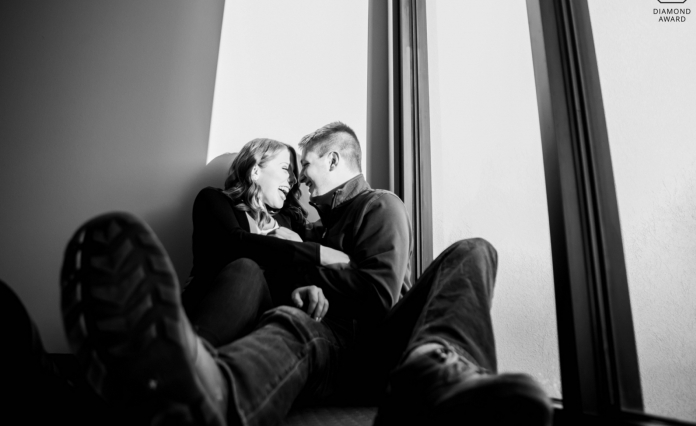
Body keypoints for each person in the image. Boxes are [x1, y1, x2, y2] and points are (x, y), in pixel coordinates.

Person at [58, 122, 553, 425]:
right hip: (329, 346)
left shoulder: (378, 205)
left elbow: (380, 296)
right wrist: (305, 282)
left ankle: (437, 373)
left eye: (308, 165)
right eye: (290, 171)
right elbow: (261, 261)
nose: (300, 180)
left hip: (382, 344)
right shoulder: (305, 220)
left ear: (334, 158)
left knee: (473, 251)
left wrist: (313, 270)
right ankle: (210, 395)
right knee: (293, 326)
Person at [180, 138, 350, 347]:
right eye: (285, 168)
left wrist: (305, 289)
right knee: (247, 268)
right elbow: (235, 244)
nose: (293, 180)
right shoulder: (214, 200)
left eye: (295, 175)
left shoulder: (291, 224)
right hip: (206, 311)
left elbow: (289, 280)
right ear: (255, 171)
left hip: (262, 329)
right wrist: (317, 253)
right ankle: (193, 360)